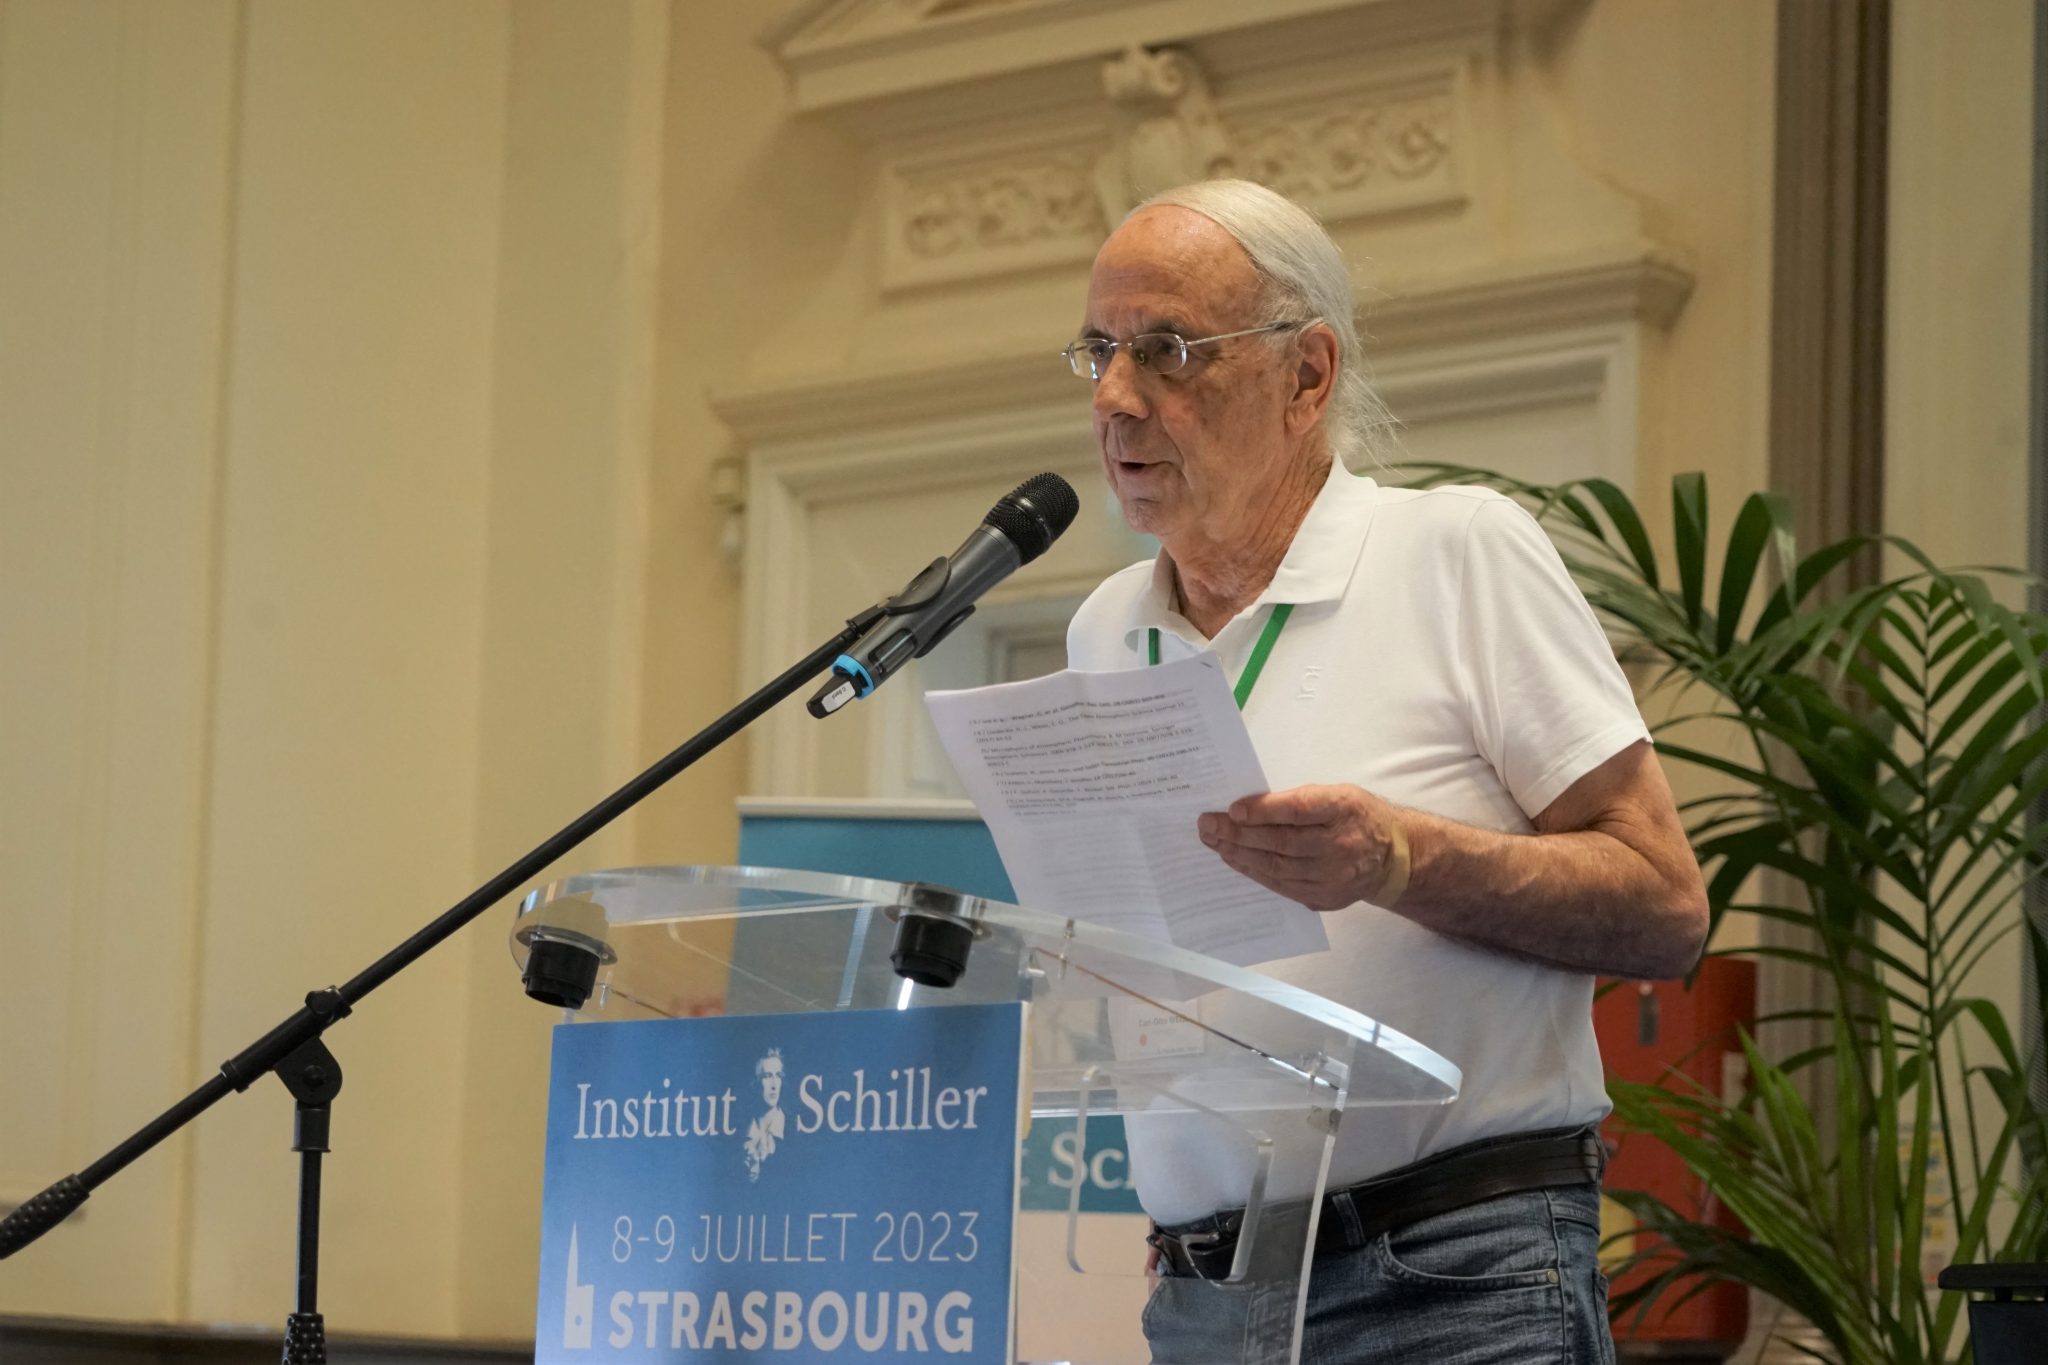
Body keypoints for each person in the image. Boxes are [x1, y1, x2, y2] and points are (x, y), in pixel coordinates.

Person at [1062, 179, 1709, 1364]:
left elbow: (1663, 907)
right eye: (1099, 350)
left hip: (1449, 1278)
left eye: (1165, 351)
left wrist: (1399, 860)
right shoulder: (1104, 630)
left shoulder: (1453, 553)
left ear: (1305, 375)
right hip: (1203, 1298)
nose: (1114, 396)